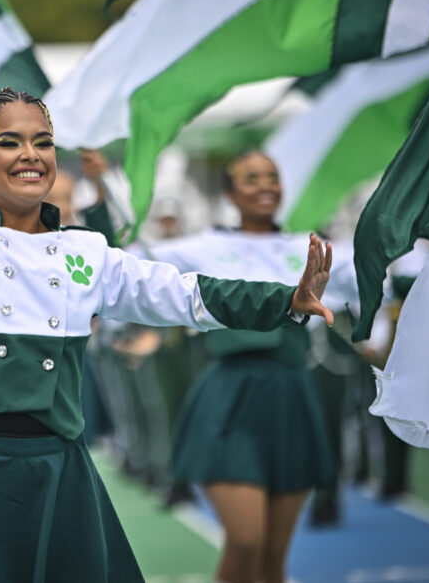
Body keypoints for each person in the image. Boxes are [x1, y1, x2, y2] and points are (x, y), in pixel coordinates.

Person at [0, 0, 335, 582]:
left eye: (43, 142)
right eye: (8, 142)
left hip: (63, 478)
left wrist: (284, 300)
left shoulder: (86, 252)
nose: (31, 154)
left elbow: (183, 294)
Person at [150, 151, 360, 583]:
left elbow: (378, 276)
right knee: (245, 542)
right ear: (230, 192)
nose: (265, 185)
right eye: (251, 177)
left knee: (271, 560)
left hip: (291, 396)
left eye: (272, 176)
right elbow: (132, 269)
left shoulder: (309, 247)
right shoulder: (201, 247)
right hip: (230, 395)